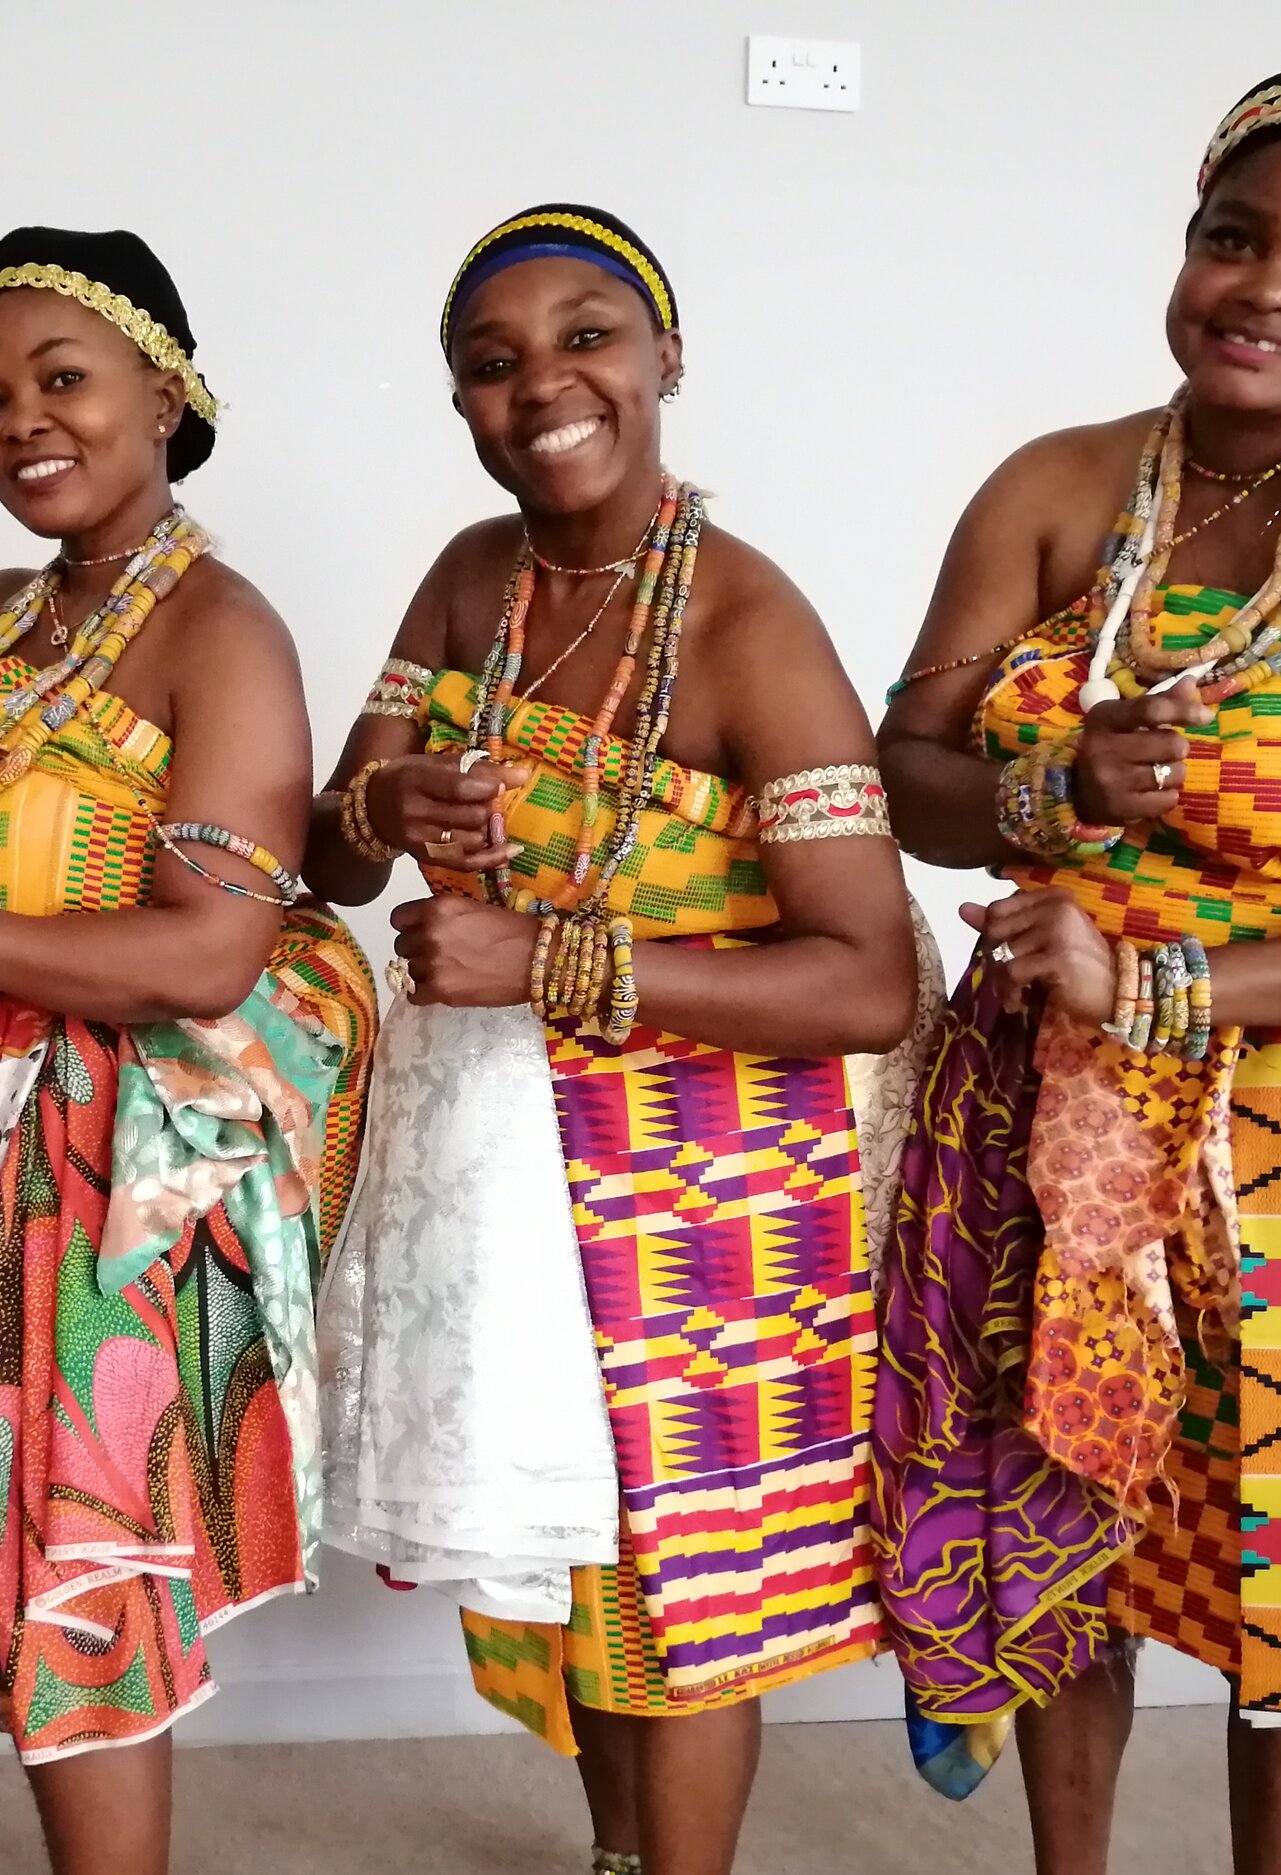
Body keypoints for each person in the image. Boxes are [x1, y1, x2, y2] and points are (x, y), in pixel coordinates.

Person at [873, 64, 1281, 1875]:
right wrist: (1051, 789)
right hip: (1042, 1114)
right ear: (1188, 243)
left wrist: (1166, 987)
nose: (1267, 288)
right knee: (1063, 1523)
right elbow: (904, 773)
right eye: (1234, 236)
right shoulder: (1055, 489)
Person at [308, 204, 925, 1875]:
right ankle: (614, 1858)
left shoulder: (750, 625)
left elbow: (865, 977)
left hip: (711, 1189)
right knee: (577, 1576)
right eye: (492, 362)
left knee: (686, 1587)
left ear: (667, 358)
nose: (544, 386)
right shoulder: (471, 580)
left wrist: (552, 958)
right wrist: (387, 801)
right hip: (499, 1162)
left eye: (587, 337)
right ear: (459, 400)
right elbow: (329, 857)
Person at [0, 227, 375, 1875]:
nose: (20, 420)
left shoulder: (221, 631)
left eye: (62, 379)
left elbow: (212, 950)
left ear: (166, 396)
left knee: (75, 1577)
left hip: (113, 1182)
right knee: (2, 1541)